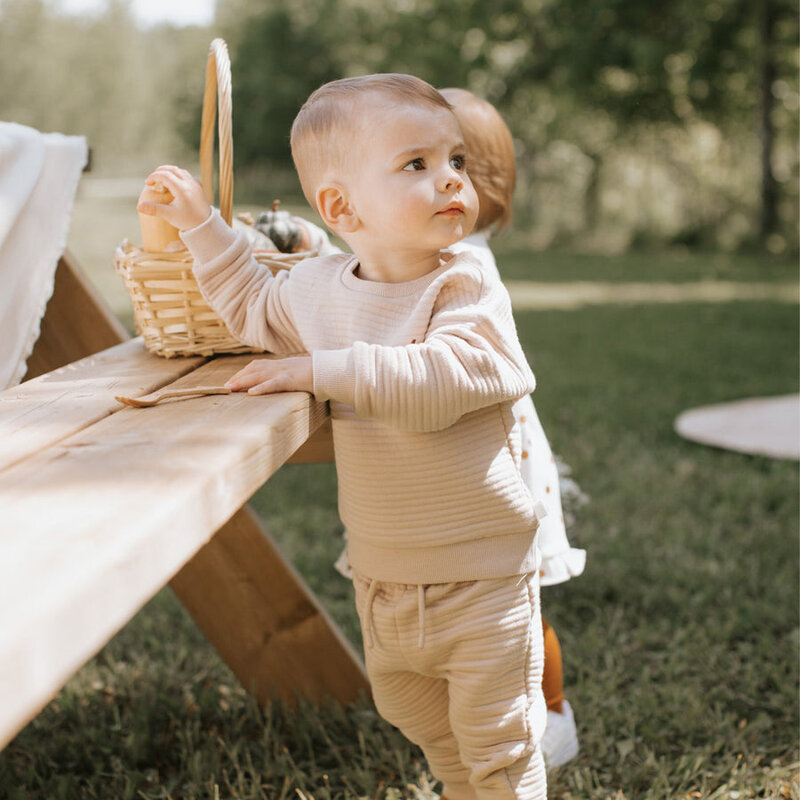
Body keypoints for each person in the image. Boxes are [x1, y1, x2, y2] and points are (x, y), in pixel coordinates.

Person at [139, 73, 549, 800]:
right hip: (383, 575)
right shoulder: (322, 287)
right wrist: (204, 226)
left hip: (482, 574)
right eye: (416, 164)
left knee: (497, 748)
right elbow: (252, 304)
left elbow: (441, 383)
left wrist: (323, 370)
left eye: (455, 159)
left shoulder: (465, 287)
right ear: (338, 208)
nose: (452, 178)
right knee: (418, 719)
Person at [439, 87, 586, 770]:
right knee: (462, 612)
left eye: (432, 163)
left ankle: (553, 715)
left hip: (498, 467)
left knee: (515, 610)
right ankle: (481, 710)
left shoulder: (462, 262)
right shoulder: (431, 252)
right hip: (457, 466)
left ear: (476, 186)